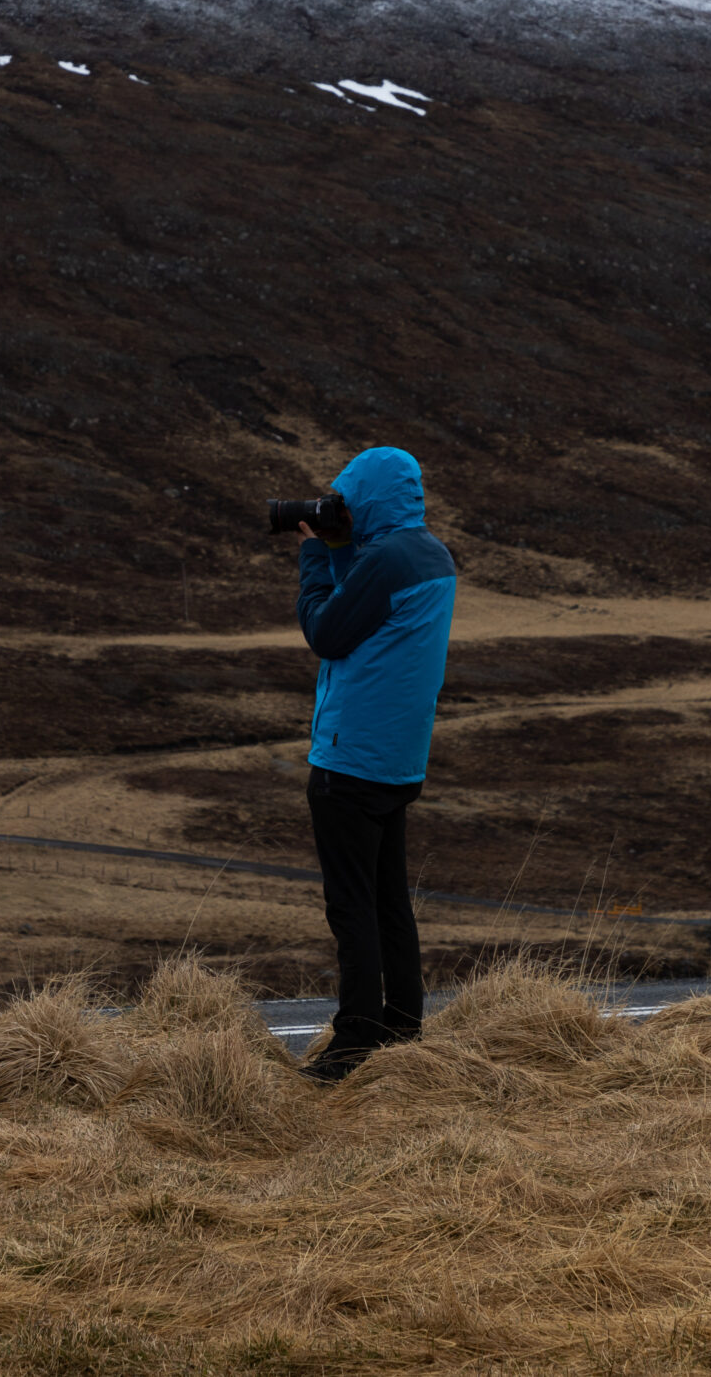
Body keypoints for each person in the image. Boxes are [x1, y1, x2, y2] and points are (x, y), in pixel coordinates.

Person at [291, 445, 458, 1083]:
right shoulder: (429, 555)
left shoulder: (385, 559)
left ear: (366, 498)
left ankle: (354, 1042)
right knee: (389, 901)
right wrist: (339, 552)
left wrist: (313, 557)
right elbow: (367, 616)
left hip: (349, 760)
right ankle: (403, 1023)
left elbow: (327, 634)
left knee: (351, 905)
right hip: (397, 761)